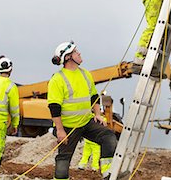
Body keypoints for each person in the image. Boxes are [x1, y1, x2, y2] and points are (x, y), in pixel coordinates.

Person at [48, 41, 118, 180]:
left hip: (87, 122)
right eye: (75, 51)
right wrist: (60, 130)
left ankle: (107, 174)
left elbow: (93, 96)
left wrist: (98, 114)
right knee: (63, 160)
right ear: (68, 57)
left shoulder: (85, 74)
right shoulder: (57, 79)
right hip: (69, 127)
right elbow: (54, 107)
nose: (79, 53)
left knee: (109, 137)